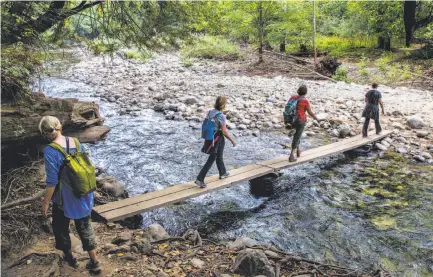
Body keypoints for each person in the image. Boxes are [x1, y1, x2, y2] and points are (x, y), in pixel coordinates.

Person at [39, 116, 102, 274]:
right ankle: (95, 262)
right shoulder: (74, 141)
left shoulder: (50, 150)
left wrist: (46, 202)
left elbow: (52, 182)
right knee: (85, 226)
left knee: (60, 227)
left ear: (44, 133)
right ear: (60, 127)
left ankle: (70, 259)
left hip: (63, 198)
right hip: (82, 192)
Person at [195, 96, 236, 188]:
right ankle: (200, 179)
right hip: (217, 139)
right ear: (224, 105)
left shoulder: (210, 112)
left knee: (219, 155)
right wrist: (232, 140)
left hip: (210, 137)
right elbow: (224, 132)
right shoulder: (221, 116)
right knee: (212, 158)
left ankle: (223, 173)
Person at [288, 85, 319, 162]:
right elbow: (310, 112)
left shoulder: (292, 97)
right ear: (306, 93)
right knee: (297, 136)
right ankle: (292, 155)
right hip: (300, 120)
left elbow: (288, 107)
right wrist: (316, 118)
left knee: (297, 135)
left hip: (292, 119)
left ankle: (298, 151)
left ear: (298, 91)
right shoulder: (305, 101)